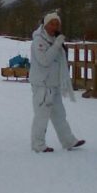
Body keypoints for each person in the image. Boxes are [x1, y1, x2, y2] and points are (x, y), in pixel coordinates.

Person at [29, 11, 85, 153]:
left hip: (53, 85)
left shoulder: (55, 40)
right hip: (43, 85)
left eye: (57, 24)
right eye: (52, 23)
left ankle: (68, 141)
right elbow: (44, 61)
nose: (55, 26)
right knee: (42, 116)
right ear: (45, 25)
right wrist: (57, 46)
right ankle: (38, 145)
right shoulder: (39, 41)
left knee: (60, 115)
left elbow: (60, 62)